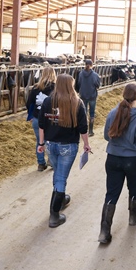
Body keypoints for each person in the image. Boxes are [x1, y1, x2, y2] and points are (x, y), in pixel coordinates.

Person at [99, 83, 136, 244]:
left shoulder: (112, 113)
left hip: (113, 159)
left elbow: (107, 136)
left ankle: (104, 232)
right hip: (132, 161)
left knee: (111, 193)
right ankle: (133, 217)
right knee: (134, 189)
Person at [38, 74, 91, 228]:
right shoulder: (77, 102)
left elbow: (41, 124)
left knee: (57, 174)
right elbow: (83, 128)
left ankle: (60, 200)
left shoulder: (49, 101)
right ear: (71, 85)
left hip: (50, 144)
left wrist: (41, 143)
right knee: (61, 178)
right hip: (68, 146)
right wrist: (86, 144)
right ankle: (54, 215)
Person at [26, 66, 56, 171]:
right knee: (51, 140)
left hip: (37, 119)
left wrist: (30, 115)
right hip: (51, 119)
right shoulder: (56, 88)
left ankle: (41, 163)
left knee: (40, 141)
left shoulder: (35, 88)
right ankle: (51, 161)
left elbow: (29, 103)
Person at [77, 59, 101, 136]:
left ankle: (84, 130)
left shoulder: (80, 74)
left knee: (84, 113)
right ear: (92, 65)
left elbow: (79, 83)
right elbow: (98, 86)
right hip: (92, 96)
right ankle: (90, 131)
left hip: (83, 96)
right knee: (92, 113)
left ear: (85, 64)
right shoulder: (95, 75)